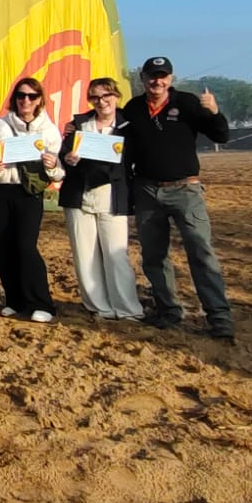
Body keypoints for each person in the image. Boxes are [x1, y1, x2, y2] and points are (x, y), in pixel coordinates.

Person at [119, 56, 235, 341]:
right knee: (153, 256)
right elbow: (123, 149)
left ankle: (219, 316)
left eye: (162, 76)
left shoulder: (188, 103)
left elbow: (221, 136)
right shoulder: (133, 108)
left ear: (171, 78)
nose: (156, 81)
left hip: (186, 190)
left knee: (201, 252)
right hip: (147, 191)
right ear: (142, 78)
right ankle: (168, 310)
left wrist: (214, 112)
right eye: (151, 76)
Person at [0, 78, 64, 323]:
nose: (26, 100)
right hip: (1, 191)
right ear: (14, 98)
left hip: (28, 193)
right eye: (21, 95)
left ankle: (41, 303)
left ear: (39, 100)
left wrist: (53, 165)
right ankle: (14, 300)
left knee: (26, 246)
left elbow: (59, 169)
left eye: (32, 96)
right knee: (4, 245)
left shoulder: (48, 130)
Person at [59, 77, 143, 322]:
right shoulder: (78, 124)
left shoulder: (128, 125)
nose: (101, 101)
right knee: (85, 255)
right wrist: (68, 158)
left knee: (116, 255)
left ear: (116, 96)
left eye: (106, 95)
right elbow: (64, 153)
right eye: (95, 97)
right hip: (79, 195)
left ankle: (127, 309)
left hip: (112, 194)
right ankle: (98, 307)